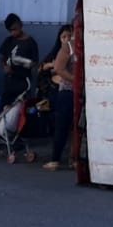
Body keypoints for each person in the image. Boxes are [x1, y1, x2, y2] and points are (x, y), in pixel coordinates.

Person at [42, 23, 76, 170]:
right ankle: (56, 159)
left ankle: (73, 159)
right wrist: (76, 80)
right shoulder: (69, 47)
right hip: (68, 91)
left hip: (78, 92)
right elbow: (58, 69)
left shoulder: (84, 46)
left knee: (76, 128)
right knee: (63, 126)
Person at [0, 12, 40, 103]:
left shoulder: (31, 43)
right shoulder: (8, 41)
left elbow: (35, 65)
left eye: (14, 29)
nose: (13, 33)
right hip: (9, 84)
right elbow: (1, 58)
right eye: (10, 30)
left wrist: (25, 63)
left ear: (20, 25)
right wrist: (4, 66)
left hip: (24, 84)